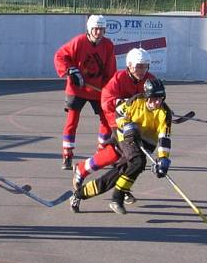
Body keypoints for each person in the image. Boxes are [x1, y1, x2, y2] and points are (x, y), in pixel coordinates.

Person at [69, 79, 172, 215]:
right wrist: (127, 126)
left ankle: (78, 195)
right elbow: (119, 112)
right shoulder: (136, 101)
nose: (157, 102)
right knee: (138, 162)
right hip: (126, 136)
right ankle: (117, 198)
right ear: (147, 97)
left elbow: (164, 138)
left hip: (145, 144)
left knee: (116, 176)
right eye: (153, 98)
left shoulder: (165, 113)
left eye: (160, 98)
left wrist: (163, 159)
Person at [72, 48, 156, 204]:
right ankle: (121, 188)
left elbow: (156, 97)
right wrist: (121, 103)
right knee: (131, 157)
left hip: (139, 123)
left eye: (145, 66)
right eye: (139, 66)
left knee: (116, 153)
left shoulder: (149, 79)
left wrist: (162, 108)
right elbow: (106, 101)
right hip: (119, 121)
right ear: (129, 66)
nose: (142, 70)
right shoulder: (118, 79)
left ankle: (83, 168)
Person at [54, 14, 117, 170]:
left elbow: (110, 70)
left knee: (106, 120)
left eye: (101, 29)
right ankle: (67, 155)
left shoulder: (108, 45)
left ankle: (102, 153)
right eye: (95, 29)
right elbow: (60, 56)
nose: (98, 32)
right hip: (77, 88)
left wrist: (110, 89)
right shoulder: (79, 41)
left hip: (98, 90)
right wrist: (70, 70)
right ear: (89, 29)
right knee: (72, 121)